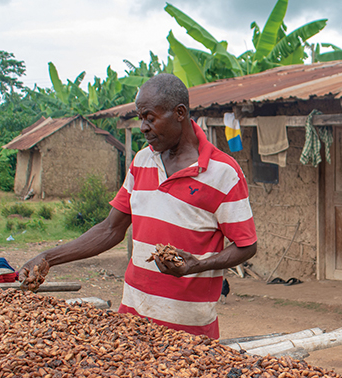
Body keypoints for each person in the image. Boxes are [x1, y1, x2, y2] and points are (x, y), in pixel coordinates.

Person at [19, 74, 258, 338]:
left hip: (189, 329)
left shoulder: (223, 173)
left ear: (179, 113)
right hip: (132, 321)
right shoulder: (142, 161)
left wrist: (196, 265)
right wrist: (49, 258)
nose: (143, 127)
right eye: (140, 118)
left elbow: (246, 245)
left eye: (150, 118)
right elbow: (110, 229)